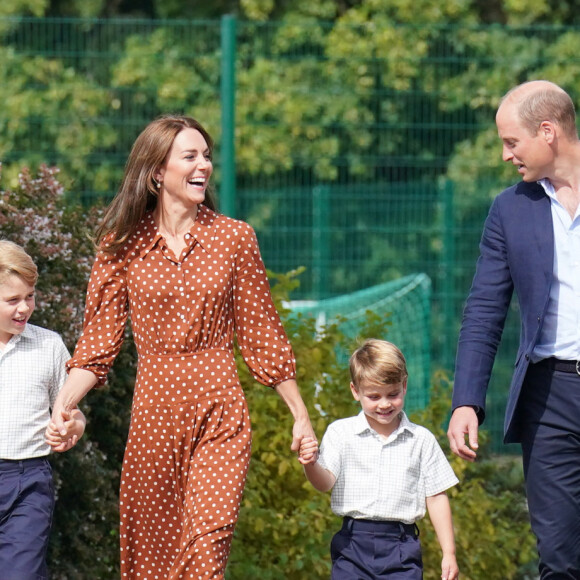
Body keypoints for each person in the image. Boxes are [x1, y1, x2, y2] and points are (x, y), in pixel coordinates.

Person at [47, 115, 316, 579]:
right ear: (157, 172)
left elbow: (262, 333)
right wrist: (64, 406)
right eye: (190, 156)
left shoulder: (235, 239)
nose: (204, 166)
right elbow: (98, 343)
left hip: (220, 412)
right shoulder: (121, 246)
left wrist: (300, 414)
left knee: (206, 550)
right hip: (154, 416)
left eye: (206, 156)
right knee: (153, 559)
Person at [447, 80, 580, 579]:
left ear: (547, 132)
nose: (506, 156)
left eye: (511, 142)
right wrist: (466, 400)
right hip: (550, 397)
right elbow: (484, 309)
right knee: (560, 560)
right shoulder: (509, 209)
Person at [300, 339, 459, 580]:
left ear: (404, 386)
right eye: (374, 397)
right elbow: (324, 482)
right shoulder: (340, 433)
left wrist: (449, 552)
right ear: (355, 391)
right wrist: (310, 463)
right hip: (352, 544)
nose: (384, 404)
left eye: (392, 394)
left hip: (401, 545)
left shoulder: (421, 439)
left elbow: (436, 497)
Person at [0, 240, 85, 580]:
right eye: (12, 300)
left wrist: (72, 427)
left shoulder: (48, 345)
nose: (24, 308)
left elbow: (72, 411)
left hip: (28, 482)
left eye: (30, 297)